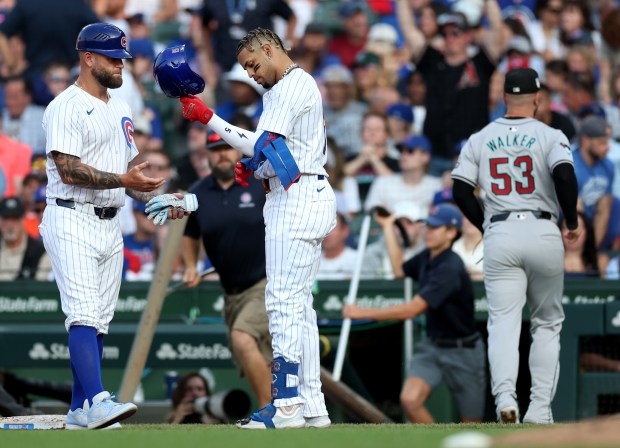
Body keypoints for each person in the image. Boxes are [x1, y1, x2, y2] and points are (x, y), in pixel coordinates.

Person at [178, 27, 336, 429]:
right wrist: (257, 167)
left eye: (252, 64)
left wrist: (208, 116)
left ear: (269, 49)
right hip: (301, 191)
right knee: (299, 307)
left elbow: (264, 143)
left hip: (296, 199)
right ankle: (311, 405)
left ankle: (284, 404)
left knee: (282, 302)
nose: (250, 73)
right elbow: (277, 153)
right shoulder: (285, 89)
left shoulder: (291, 85)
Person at [39, 23, 193, 431]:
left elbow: (125, 173)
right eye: (111, 58)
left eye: (122, 58)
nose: (119, 65)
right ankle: (98, 399)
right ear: (88, 57)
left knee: (99, 319)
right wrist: (125, 182)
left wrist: (153, 197)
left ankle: (79, 408)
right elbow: (68, 170)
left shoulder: (121, 105)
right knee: (83, 314)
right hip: (71, 214)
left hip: (110, 219)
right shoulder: (66, 105)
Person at [451, 67, 583, 424]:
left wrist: (487, 227)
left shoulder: (480, 137)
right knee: (546, 324)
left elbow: (460, 191)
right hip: (541, 228)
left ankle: (506, 399)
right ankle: (539, 408)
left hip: (501, 231)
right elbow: (566, 177)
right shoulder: (550, 134)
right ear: (538, 99)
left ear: (503, 98)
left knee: (503, 323)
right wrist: (570, 220)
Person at [343, 204, 486, 423]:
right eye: (428, 226)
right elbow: (400, 269)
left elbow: (412, 310)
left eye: (436, 228)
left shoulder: (450, 267)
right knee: (410, 399)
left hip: (463, 351)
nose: (428, 232)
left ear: (451, 233)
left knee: (472, 422)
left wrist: (360, 312)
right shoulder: (427, 256)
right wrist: (389, 227)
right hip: (432, 346)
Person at [181, 132, 272, 409]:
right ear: (207, 155)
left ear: (238, 152)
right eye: (216, 149)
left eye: (228, 148)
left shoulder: (259, 184)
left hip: (265, 283)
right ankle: (282, 413)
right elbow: (191, 233)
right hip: (231, 292)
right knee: (258, 356)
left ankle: (270, 411)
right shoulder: (197, 193)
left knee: (242, 339)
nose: (223, 154)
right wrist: (190, 266)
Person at [0, 196, 52, 280]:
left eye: (14, 219)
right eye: (6, 219)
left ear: (23, 221)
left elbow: (41, 288)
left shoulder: (40, 251)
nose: (10, 225)